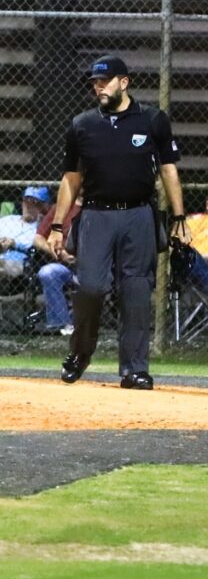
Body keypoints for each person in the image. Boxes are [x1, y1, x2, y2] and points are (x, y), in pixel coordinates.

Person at [48, 55, 189, 390]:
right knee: (91, 287)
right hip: (96, 214)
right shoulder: (82, 124)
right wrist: (57, 225)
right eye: (95, 82)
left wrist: (179, 216)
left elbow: (169, 169)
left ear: (124, 83)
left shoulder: (152, 120)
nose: (98, 87)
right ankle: (81, 353)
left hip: (138, 213)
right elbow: (71, 178)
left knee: (136, 291)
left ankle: (134, 369)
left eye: (104, 81)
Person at [33, 195, 82, 335]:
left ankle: (82, 323)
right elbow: (38, 239)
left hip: (95, 267)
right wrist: (60, 253)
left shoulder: (101, 209)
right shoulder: (61, 209)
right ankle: (62, 325)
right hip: (66, 267)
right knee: (48, 272)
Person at [0, 185, 51, 278]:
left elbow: (38, 245)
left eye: (35, 202)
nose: (29, 205)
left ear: (44, 207)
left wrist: (14, 243)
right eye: (26, 200)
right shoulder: (6, 220)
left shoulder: (42, 227)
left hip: (24, 264)